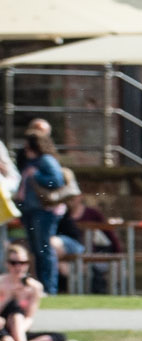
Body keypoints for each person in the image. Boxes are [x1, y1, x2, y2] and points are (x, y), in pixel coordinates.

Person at [21, 125, 67, 293]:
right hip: (31, 210)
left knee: (44, 249)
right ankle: (40, 286)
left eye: (27, 144)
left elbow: (56, 181)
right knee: (36, 250)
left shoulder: (46, 160)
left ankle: (49, 288)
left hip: (44, 211)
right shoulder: (31, 161)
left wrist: (37, 175)